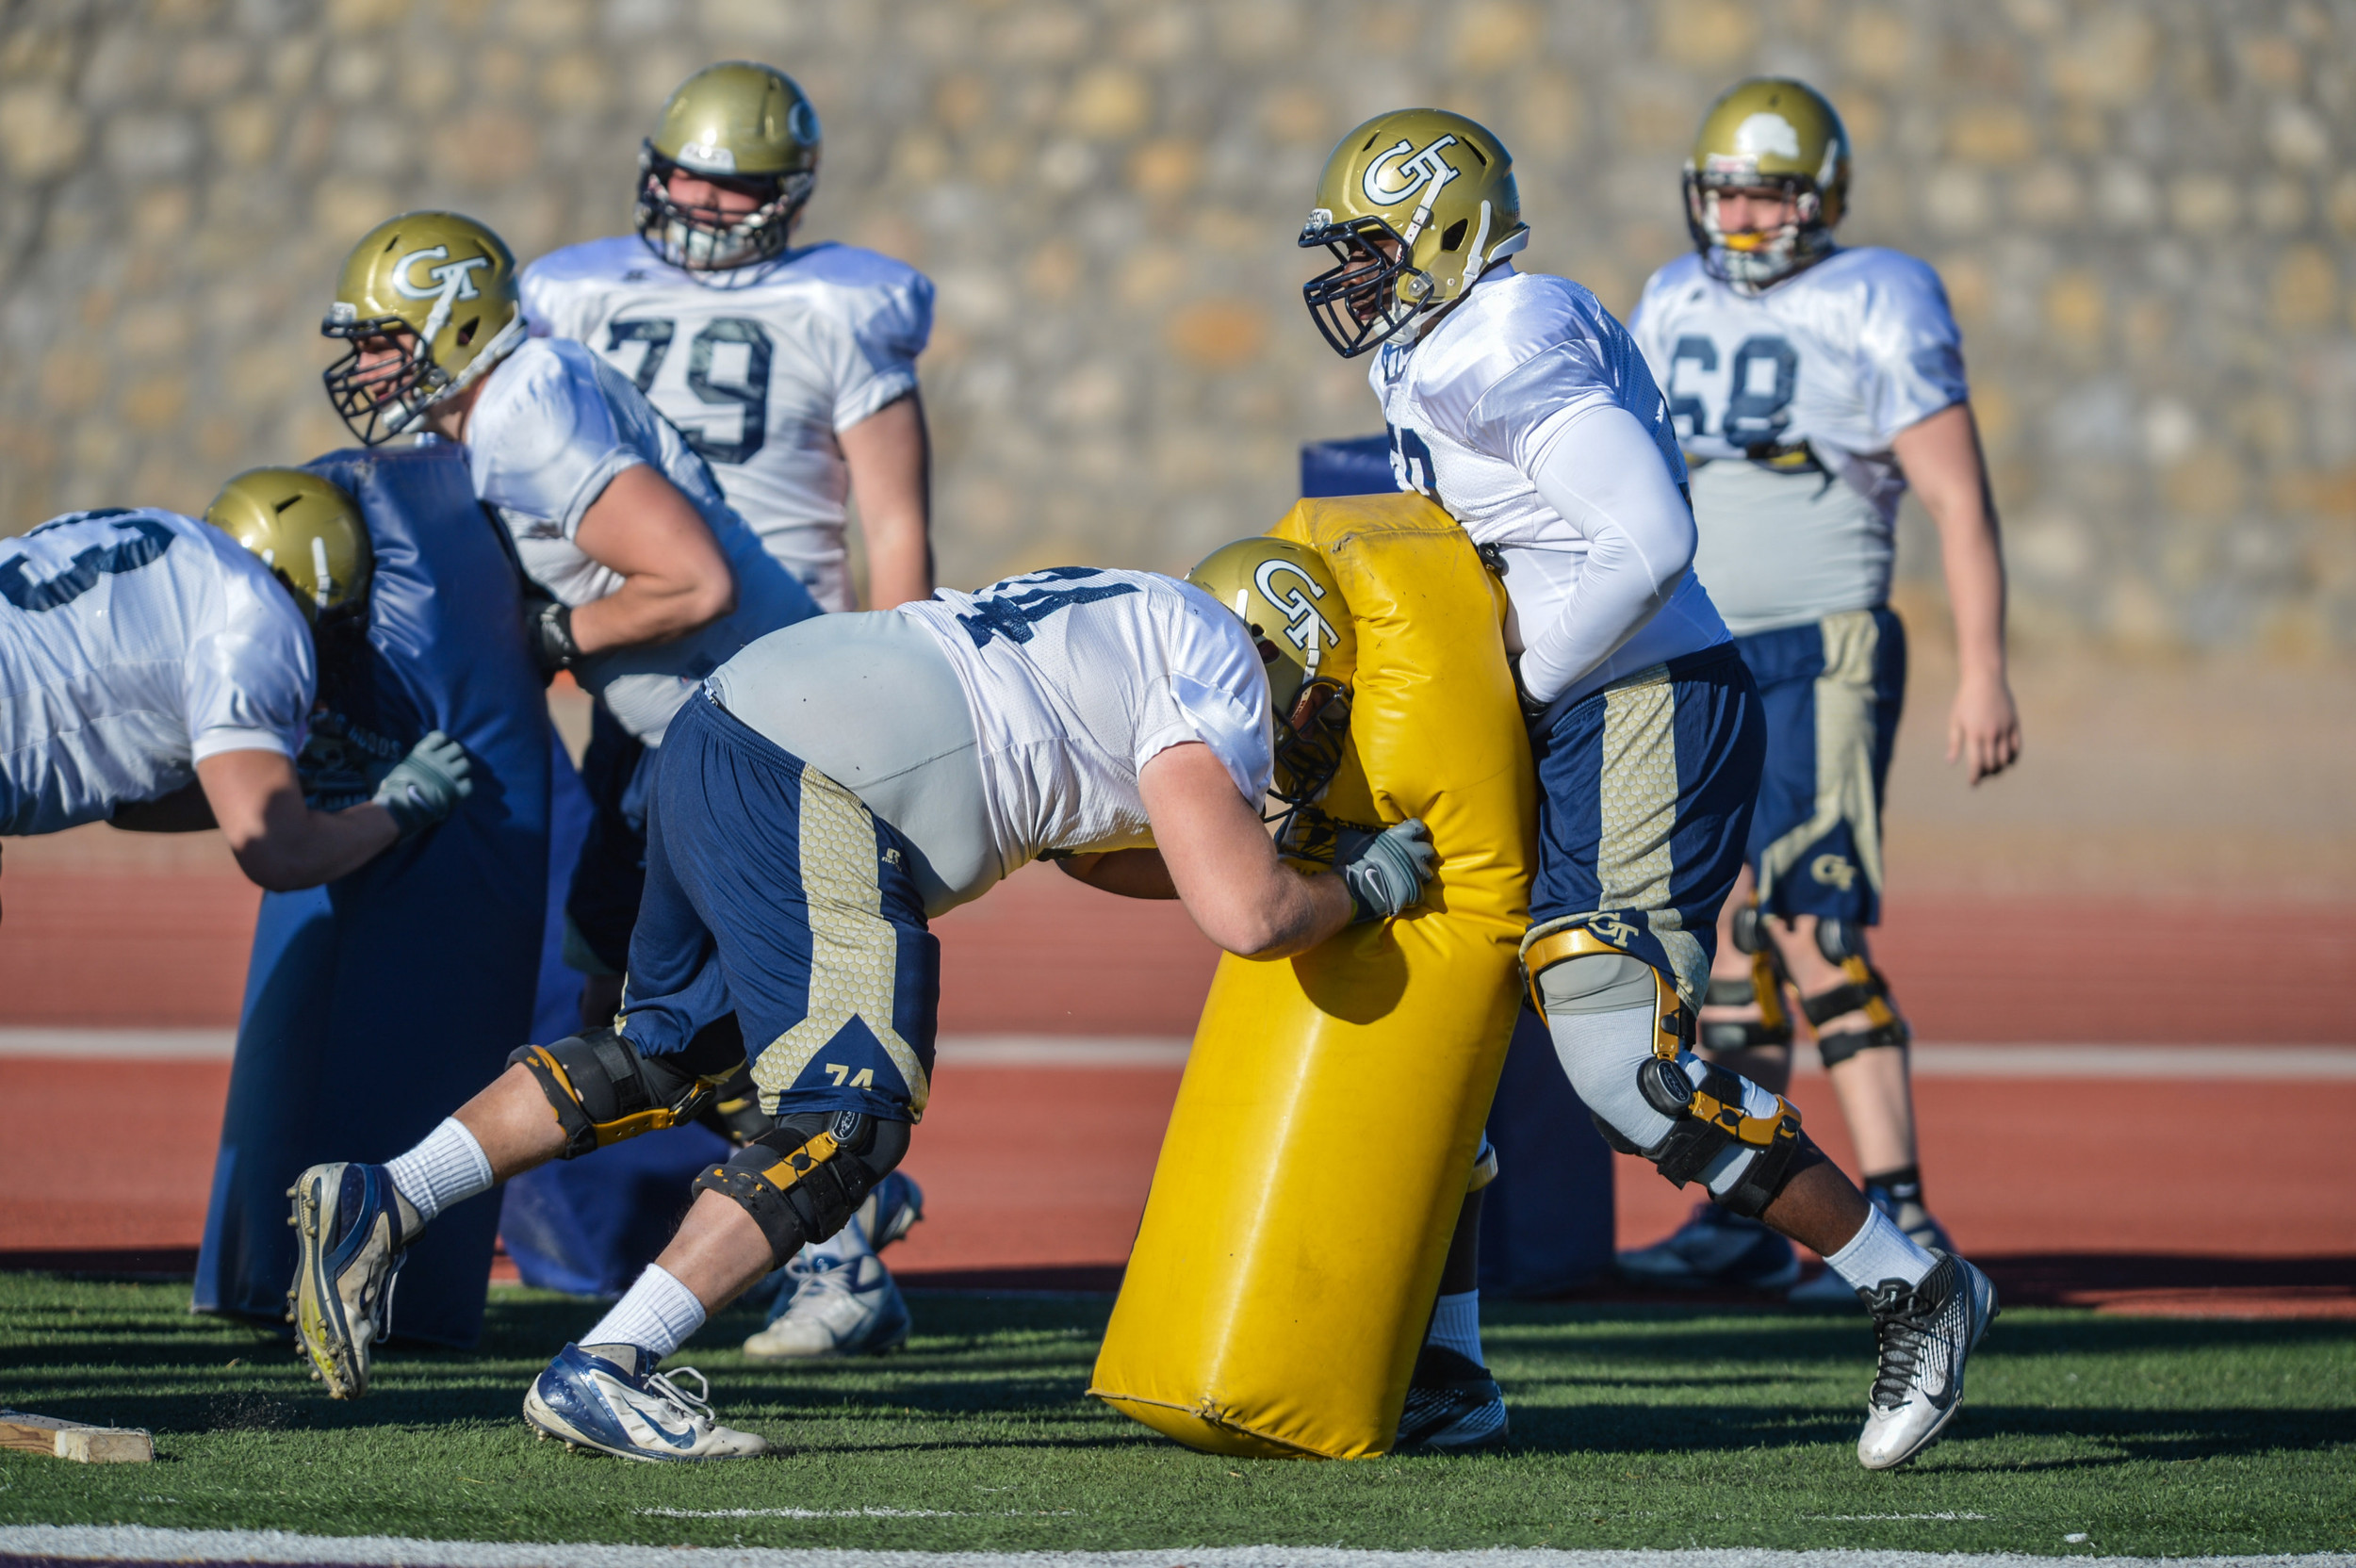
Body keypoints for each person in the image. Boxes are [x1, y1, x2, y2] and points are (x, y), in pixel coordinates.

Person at [286, 549, 1440, 1460]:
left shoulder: (1136, 615)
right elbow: (1245, 915)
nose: (1307, 734)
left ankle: (385, 1194)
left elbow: (1100, 853)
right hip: (820, 776)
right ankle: (609, 1365)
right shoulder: (1221, 666)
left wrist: (1287, 858)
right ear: (1280, 647)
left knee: (676, 1054)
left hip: (728, 726)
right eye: (1315, 704)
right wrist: (1357, 887)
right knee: (849, 1115)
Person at [1298, 107, 1995, 1469]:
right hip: (1577, 710)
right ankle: (1452, 1370)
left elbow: (1651, 537)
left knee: (1627, 1075)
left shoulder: (1501, 334)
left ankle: (1910, 1282)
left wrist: (1531, 676)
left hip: (1639, 703)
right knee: (1450, 1036)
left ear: (1448, 229)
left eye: (1380, 245)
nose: (1359, 274)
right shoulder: (1444, 344)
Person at [519, 60, 938, 1357]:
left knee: (766, 997)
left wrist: (907, 681)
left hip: (778, 691)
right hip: (638, 687)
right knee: (616, 992)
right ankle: (835, 1215)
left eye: (732, 182)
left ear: (788, 193)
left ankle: (844, 1250)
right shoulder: (575, 291)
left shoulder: (843, 309)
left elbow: (892, 524)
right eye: (686, 171)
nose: (702, 200)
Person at [1622, 78, 2021, 1303]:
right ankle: (1747, 1217)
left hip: (1824, 643)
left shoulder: (1876, 296)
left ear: (1820, 199)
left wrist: (1985, 669)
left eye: (1768, 194)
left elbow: (1957, 496)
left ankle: (1900, 1209)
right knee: (1734, 936)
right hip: (1702, 648)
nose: (1741, 219)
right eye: (1726, 192)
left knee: (1814, 922)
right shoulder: (1670, 294)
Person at [0, 471, 471, 918]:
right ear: (314, 580)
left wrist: (297, 784)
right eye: (344, 624)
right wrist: (399, 808)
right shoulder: (257, 615)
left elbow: (131, 803)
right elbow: (279, 854)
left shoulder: (170, 543)